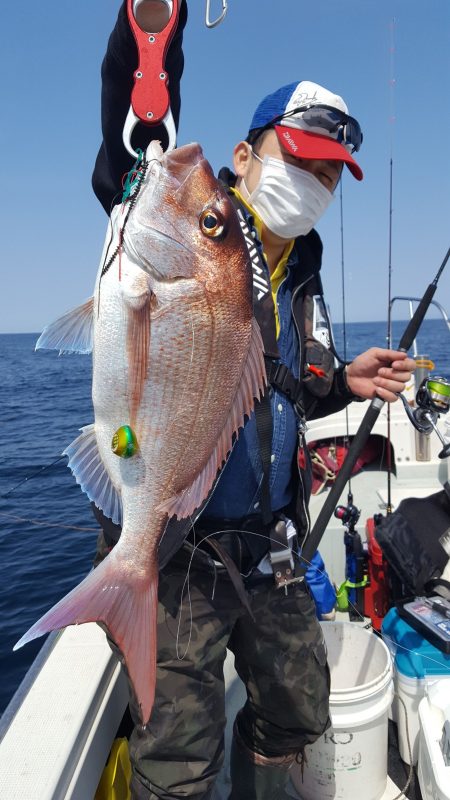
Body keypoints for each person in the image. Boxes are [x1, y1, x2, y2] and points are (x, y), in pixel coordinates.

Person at [92, 3, 415, 798]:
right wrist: (148, 39)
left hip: (271, 547)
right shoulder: (191, 223)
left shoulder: (302, 265)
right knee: (175, 762)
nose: (315, 185)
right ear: (246, 154)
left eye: (331, 174)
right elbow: (128, 150)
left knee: (300, 709)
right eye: (301, 161)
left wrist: (344, 383)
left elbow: (286, 385)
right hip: (183, 552)